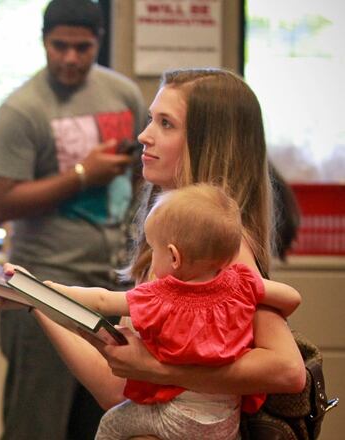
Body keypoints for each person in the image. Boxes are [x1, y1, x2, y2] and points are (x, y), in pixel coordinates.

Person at [2, 68, 306, 438]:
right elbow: (119, 391)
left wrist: (159, 371)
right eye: (151, 119)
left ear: (208, 143)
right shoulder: (172, 242)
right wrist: (38, 299)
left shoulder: (219, 252)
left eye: (166, 124)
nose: (144, 136)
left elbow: (288, 370)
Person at [0, 0, 147, 438]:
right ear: (43, 42)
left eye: (83, 47)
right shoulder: (22, 108)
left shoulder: (123, 94)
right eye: (60, 46)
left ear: (99, 43)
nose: (71, 57)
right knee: (37, 425)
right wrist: (81, 175)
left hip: (113, 288)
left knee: (106, 426)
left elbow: (142, 174)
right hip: (45, 287)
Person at [44, 183, 301, 439]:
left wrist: (52, 290)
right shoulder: (240, 284)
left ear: (174, 257)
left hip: (177, 419)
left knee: (112, 423)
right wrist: (258, 293)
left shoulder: (162, 296)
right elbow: (292, 299)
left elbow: (102, 300)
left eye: (154, 249)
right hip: (225, 423)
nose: (152, 258)